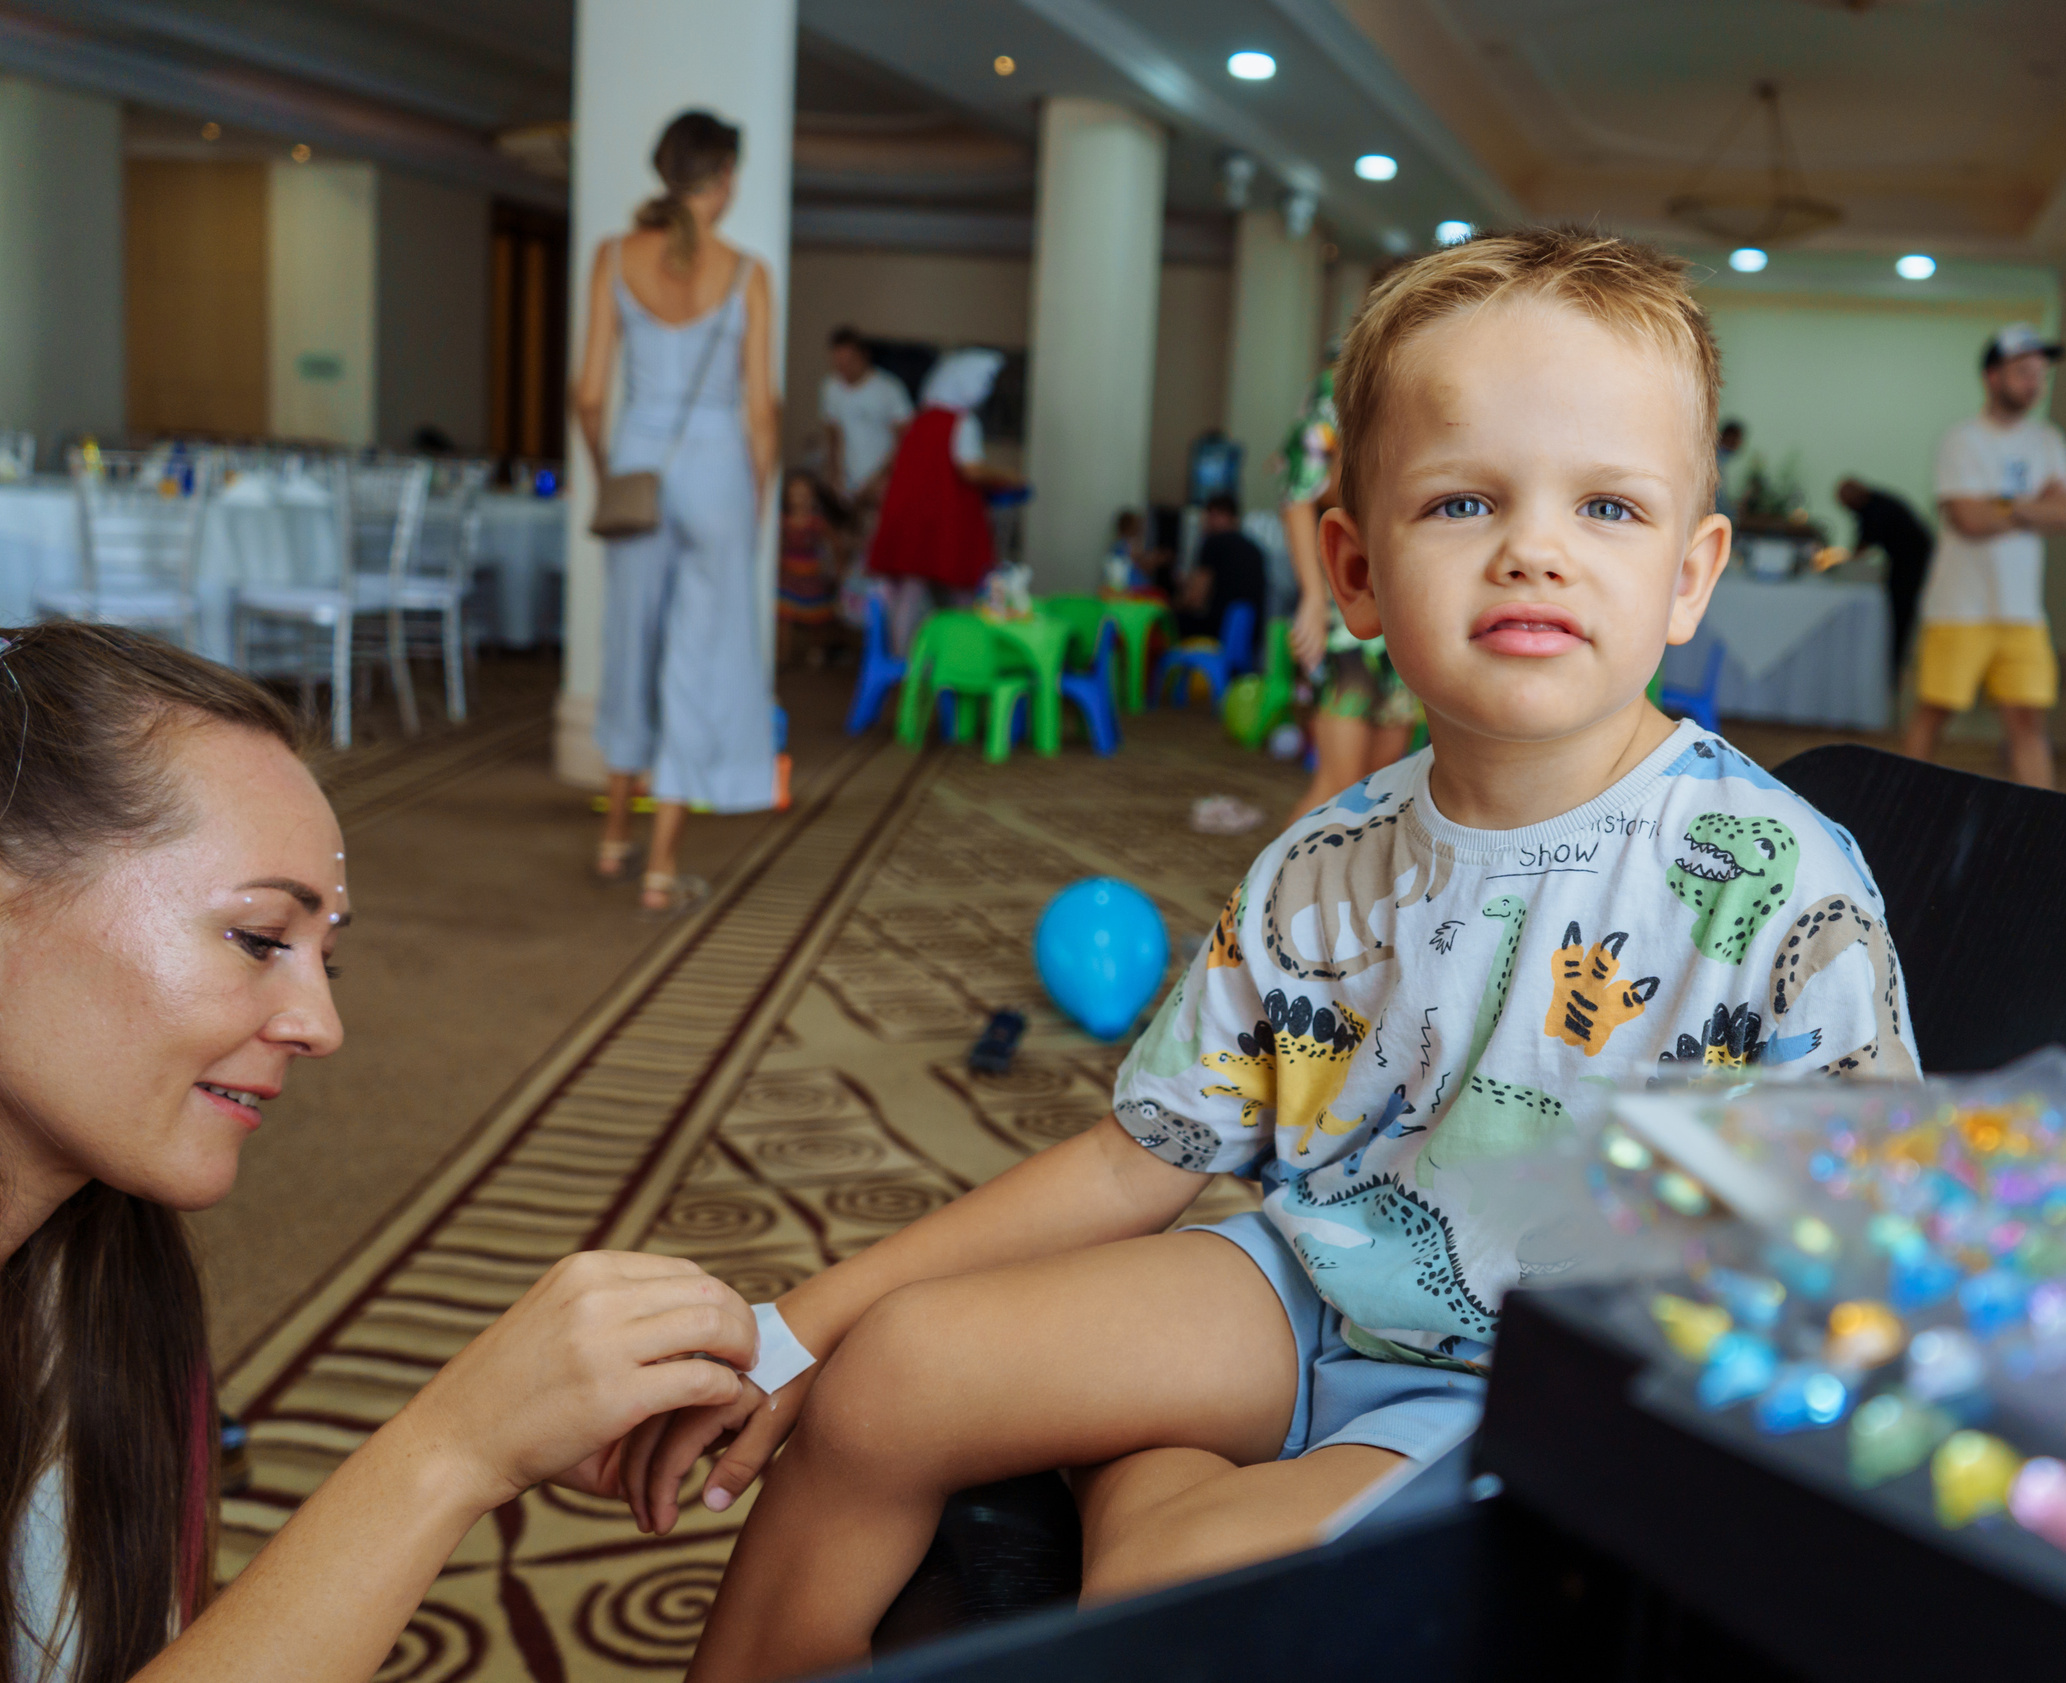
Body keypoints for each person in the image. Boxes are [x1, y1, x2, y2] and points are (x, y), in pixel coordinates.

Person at [631, 227, 1917, 1683]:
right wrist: (795, 1326)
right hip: (1314, 1279)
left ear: (1690, 576)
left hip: (1542, 1381)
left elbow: (1850, 1263)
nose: (1535, 546)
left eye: (1608, 505)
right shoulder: (1325, 854)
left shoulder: (1771, 879)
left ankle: (1150, 1481)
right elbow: (1141, 1157)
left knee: (1172, 1576)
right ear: (1355, 570)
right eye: (1464, 498)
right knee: (895, 1375)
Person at [0, 620, 759, 1683]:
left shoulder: (102, 1274)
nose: (320, 1024)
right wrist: (452, 1448)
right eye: (260, 937)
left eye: (327, 962)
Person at [576, 110, 780, 913]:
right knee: (699, 663)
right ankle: (661, 867)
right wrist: (755, 502)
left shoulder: (613, 258)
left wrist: (610, 472)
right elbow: (760, 413)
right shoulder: (747, 273)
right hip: (720, 475)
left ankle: (613, 838)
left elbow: (588, 397)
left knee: (630, 648)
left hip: (640, 470)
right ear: (724, 177)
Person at [1905, 322, 2066, 790]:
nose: (2034, 382)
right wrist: (2032, 505)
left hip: (2022, 612)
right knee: (1934, 713)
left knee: (2028, 722)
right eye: (2023, 371)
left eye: (2040, 373)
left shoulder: (2049, 441)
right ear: (1992, 377)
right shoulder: (1962, 440)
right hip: (1959, 607)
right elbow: (1967, 520)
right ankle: (1901, 800)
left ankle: (2041, 825)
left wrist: (2000, 505)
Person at [1280, 366, 1417, 820]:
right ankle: (1272, 892)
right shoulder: (1345, 374)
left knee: (1380, 788)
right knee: (1336, 785)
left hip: (1408, 610)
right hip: (1348, 613)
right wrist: (1313, 597)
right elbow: (1300, 492)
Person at [865, 348, 1015, 656]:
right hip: (949, 519)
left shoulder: (920, 421)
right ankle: (964, 660)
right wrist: (1011, 477)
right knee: (964, 594)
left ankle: (902, 662)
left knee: (910, 590)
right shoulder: (962, 423)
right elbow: (970, 470)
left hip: (912, 518)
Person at [1835, 476, 1934, 671]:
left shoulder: (1876, 508)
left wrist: (1843, 565)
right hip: (1905, 561)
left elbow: (1863, 544)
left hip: (1912, 562)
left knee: (1901, 609)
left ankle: (1893, 662)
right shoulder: (1875, 503)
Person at [815, 325, 911, 515]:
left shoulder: (889, 389)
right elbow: (833, 433)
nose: (844, 369)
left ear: (863, 356)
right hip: (846, 485)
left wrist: (881, 478)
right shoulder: (830, 387)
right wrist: (835, 475)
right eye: (838, 363)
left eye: (848, 361)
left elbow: (904, 439)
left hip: (881, 484)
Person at [776, 471, 847, 670]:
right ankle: (782, 655)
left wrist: (838, 568)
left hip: (812, 577)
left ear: (813, 497)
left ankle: (817, 650)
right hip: (788, 577)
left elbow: (836, 544)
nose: (800, 499)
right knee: (784, 615)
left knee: (816, 618)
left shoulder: (817, 522)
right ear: (788, 497)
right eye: (796, 494)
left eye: (805, 493)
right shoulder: (782, 521)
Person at [1173, 493, 1267, 642]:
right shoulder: (1255, 549)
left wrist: (1173, 602)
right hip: (1250, 638)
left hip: (1219, 631)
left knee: (1172, 620)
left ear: (1213, 514)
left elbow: (1195, 599)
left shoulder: (1214, 543)